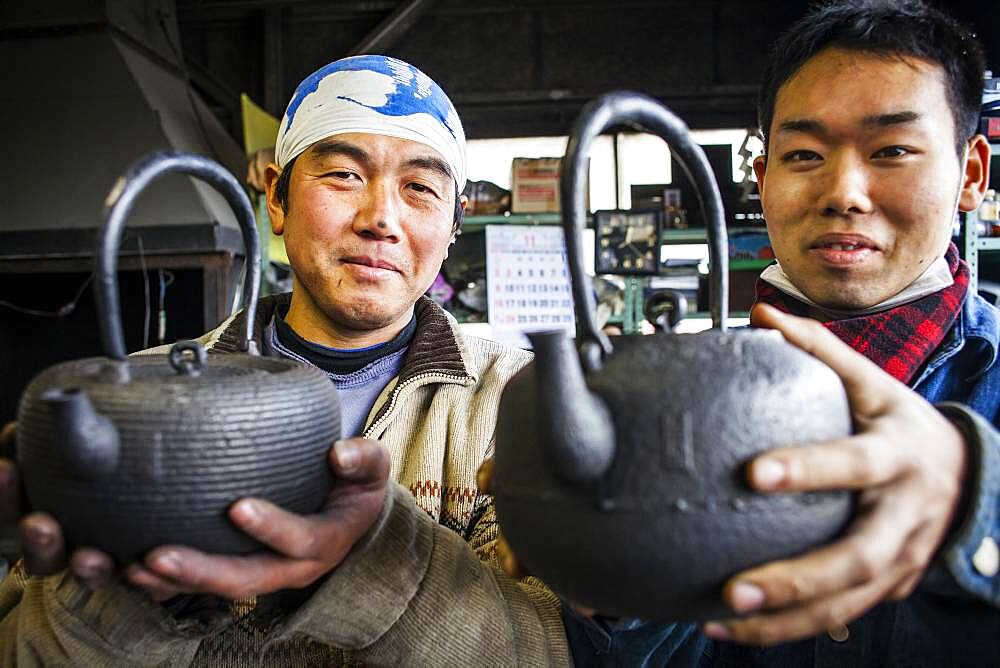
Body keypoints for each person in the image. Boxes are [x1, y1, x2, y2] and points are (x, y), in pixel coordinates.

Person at [0, 55, 571, 664]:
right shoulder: (136, 401)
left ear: (454, 224)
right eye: (344, 175)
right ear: (276, 197)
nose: (380, 218)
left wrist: (376, 562)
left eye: (420, 188)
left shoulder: (514, 404)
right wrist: (112, 600)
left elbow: (550, 648)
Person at [544, 0, 999, 665]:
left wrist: (973, 501)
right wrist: (615, 582)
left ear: (972, 174)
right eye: (805, 154)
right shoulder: (682, 399)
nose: (844, 191)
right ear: (763, 178)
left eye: (893, 150)